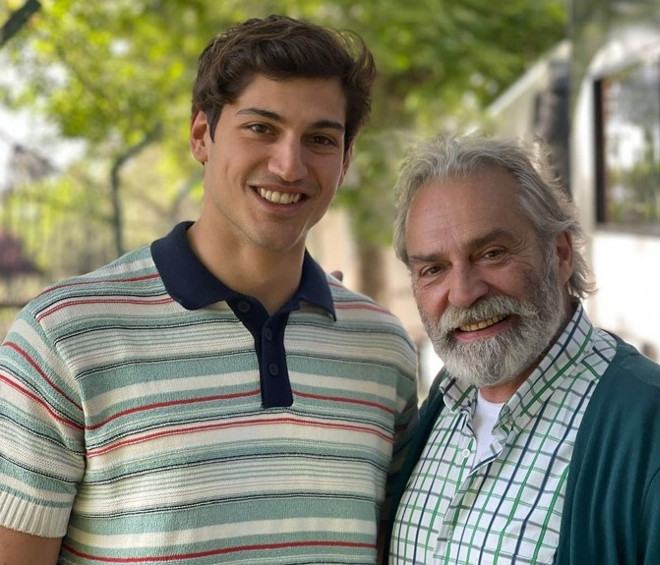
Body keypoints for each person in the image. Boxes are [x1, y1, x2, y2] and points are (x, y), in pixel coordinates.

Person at [0, 15, 417, 564]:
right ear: (202, 135)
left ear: (345, 161)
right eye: (260, 128)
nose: (289, 165)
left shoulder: (384, 350)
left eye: (320, 139)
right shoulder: (62, 337)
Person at [386, 133, 660, 564]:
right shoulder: (444, 403)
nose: (463, 292)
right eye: (433, 269)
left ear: (561, 253)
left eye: (492, 253)